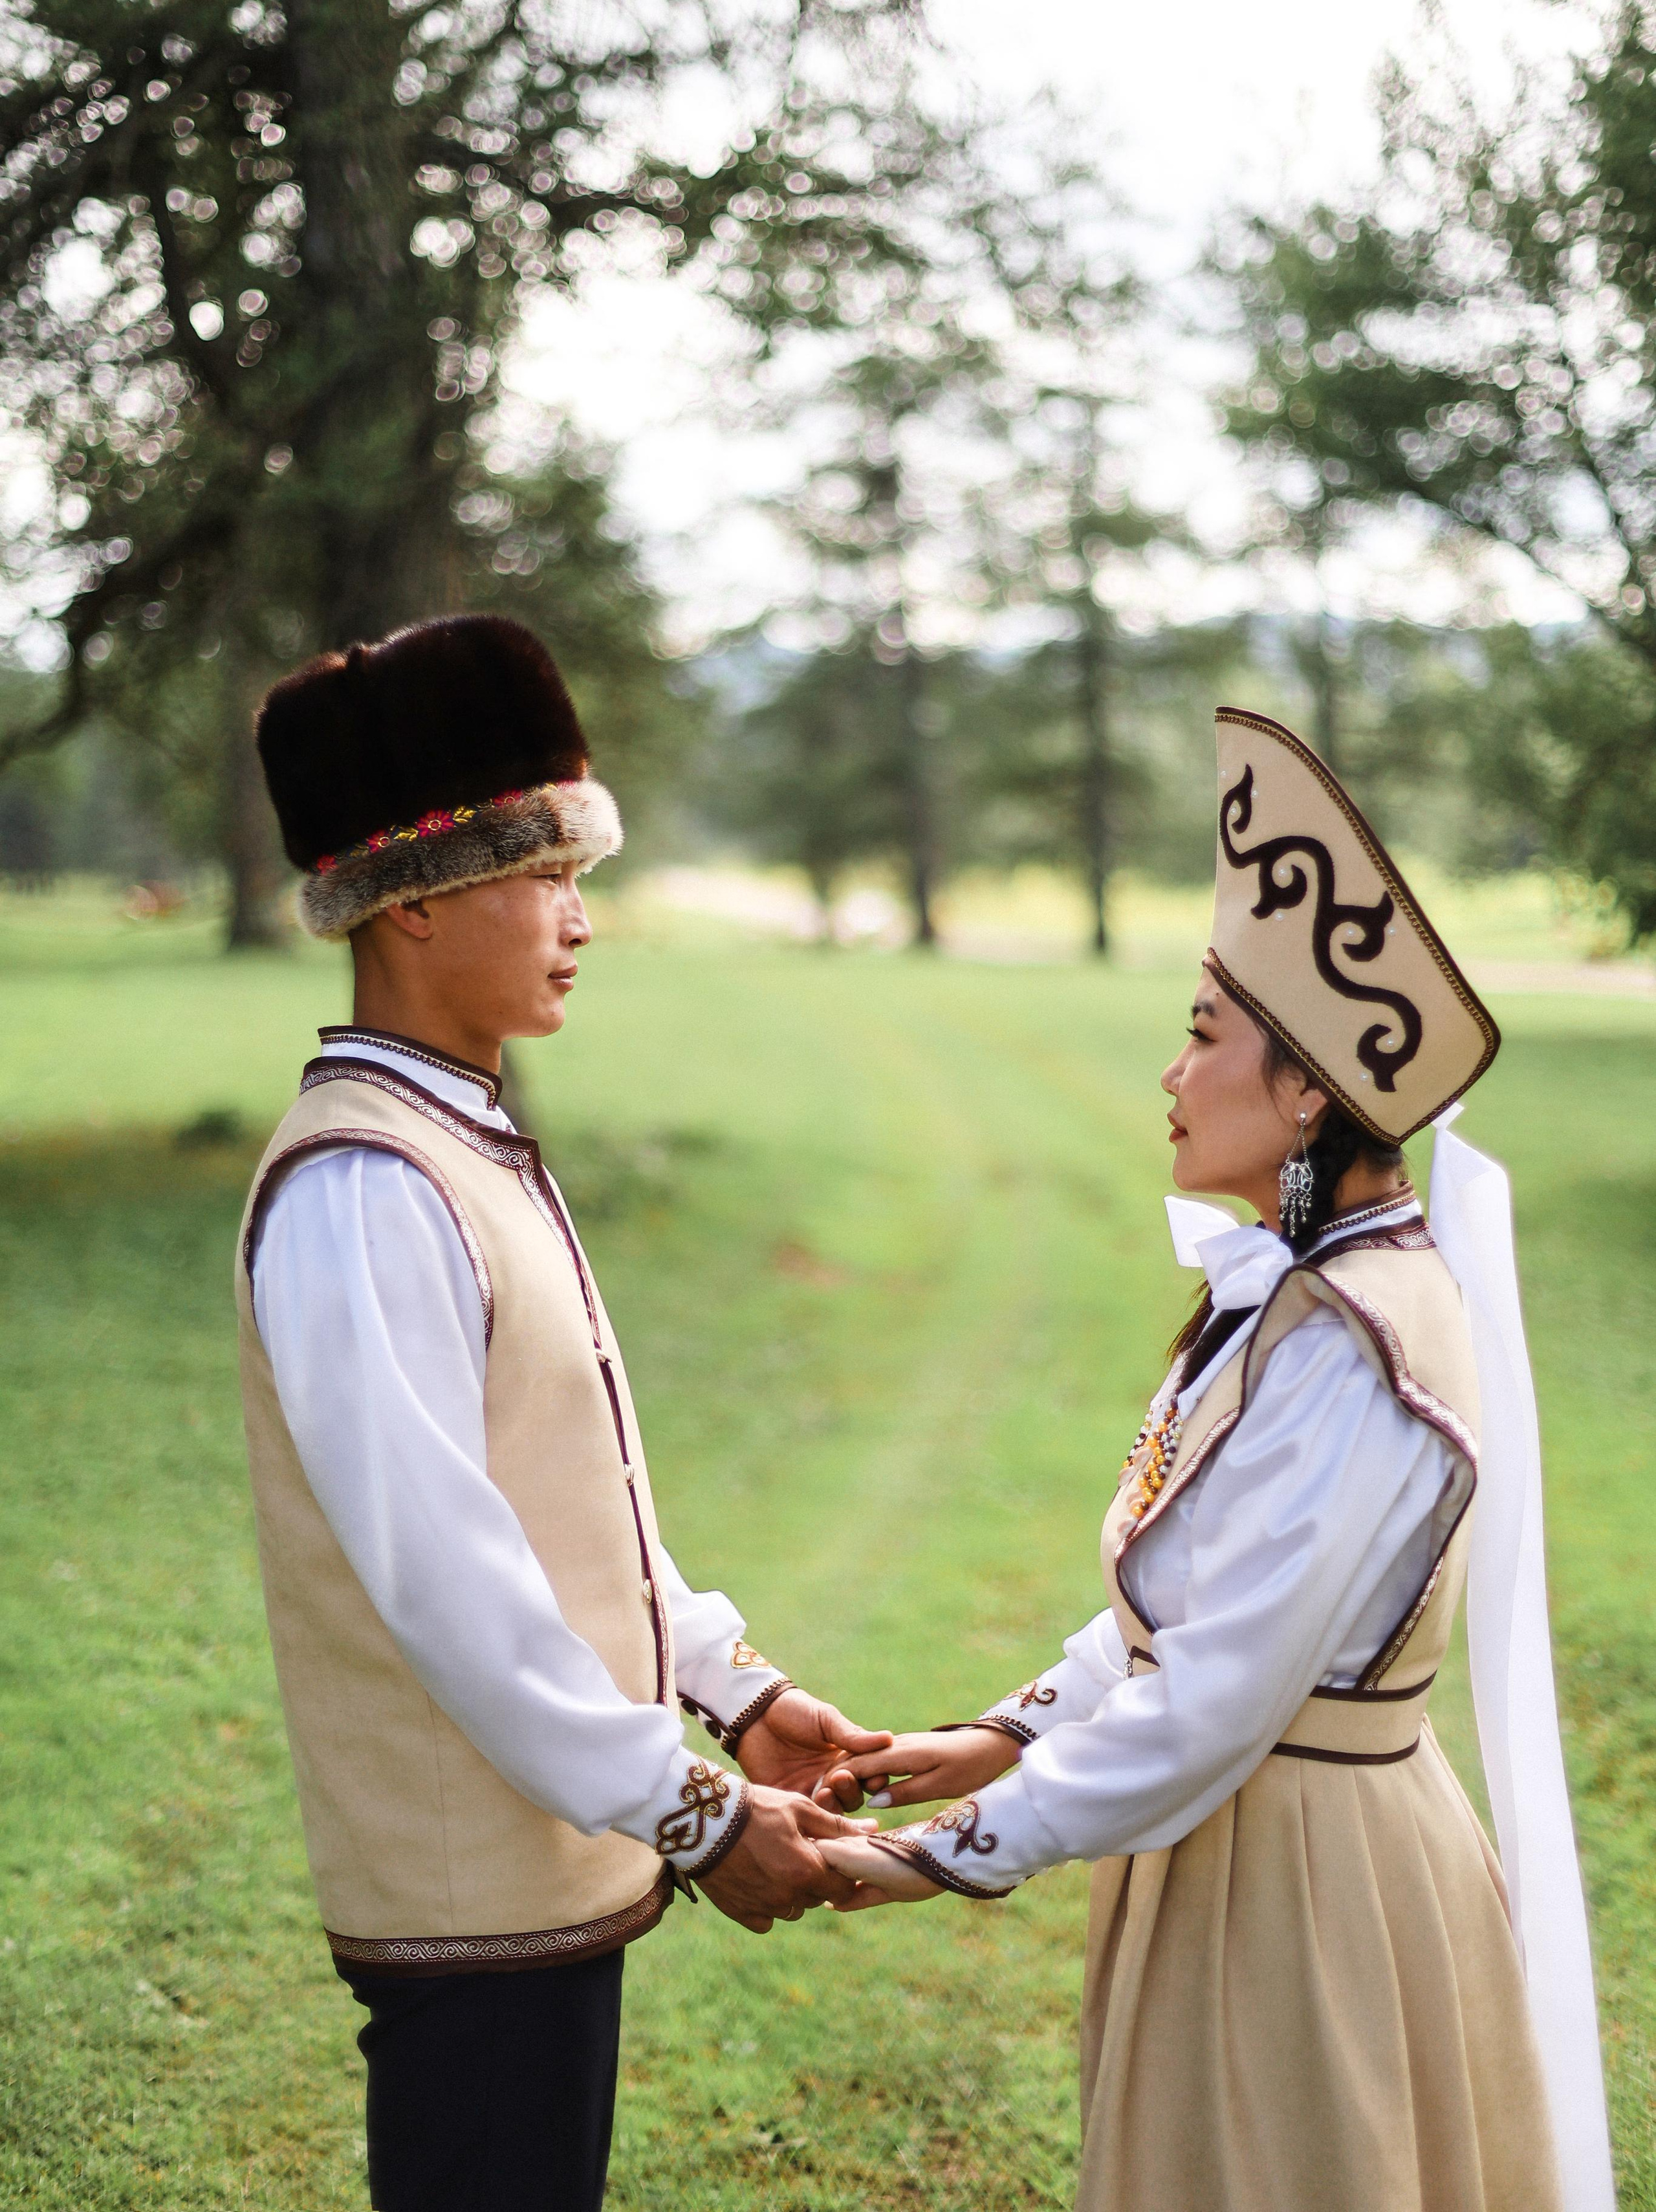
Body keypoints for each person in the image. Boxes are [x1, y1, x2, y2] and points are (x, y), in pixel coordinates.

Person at [825, 706, 1587, 2212]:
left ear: (1305, 1089)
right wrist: (1005, 1731)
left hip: (1314, 1890)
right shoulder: (1299, 1298)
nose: (1168, 1078)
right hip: (1242, 1847)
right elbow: (1189, 1611)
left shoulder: (1358, 1344)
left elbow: (1212, 1702)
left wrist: (924, 1858)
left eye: (1196, 1037)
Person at [233, 615, 883, 2212]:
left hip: (541, 1862)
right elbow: (452, 1585)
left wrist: (725, 1683)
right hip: (465, 1893)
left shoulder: (451, 1138)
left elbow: (558, 1492)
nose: (579, 920)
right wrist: (696, 1810)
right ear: (423, 896)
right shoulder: (363, 1187)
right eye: (547, 875)